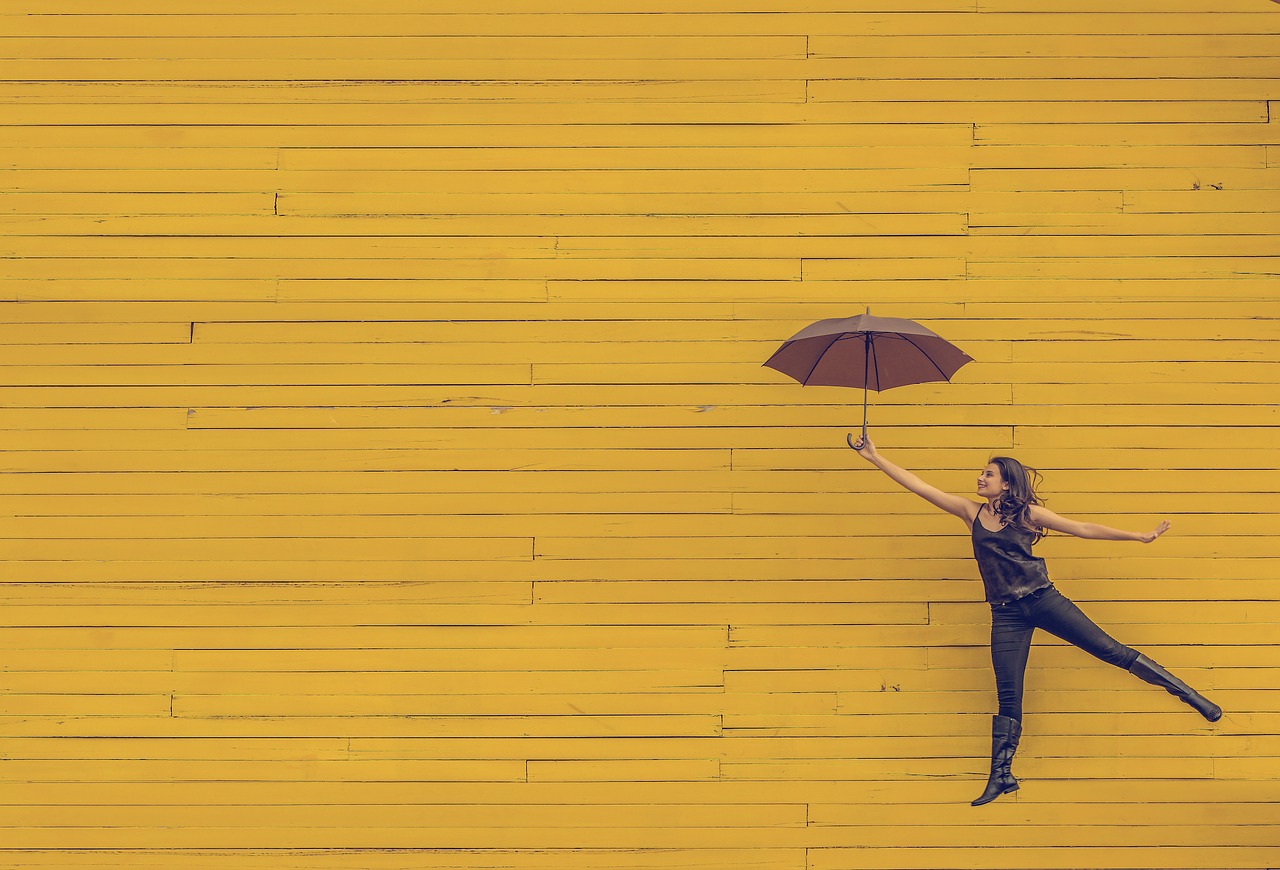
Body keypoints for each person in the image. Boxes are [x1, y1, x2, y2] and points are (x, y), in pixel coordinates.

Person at [847, 434, 1222, 807]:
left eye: (988, 474)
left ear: (1005, 483)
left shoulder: (1028, 514)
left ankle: (1190, 696)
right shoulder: (970, 512)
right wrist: (873, 457)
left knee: (1112, 652)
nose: (980, 478)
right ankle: (1002, 776)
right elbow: (919, 486)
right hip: (1006, 614)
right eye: (982, 473)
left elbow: (1082, 528)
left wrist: (1139, 536)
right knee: (1008, 695)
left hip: (1043, 600)